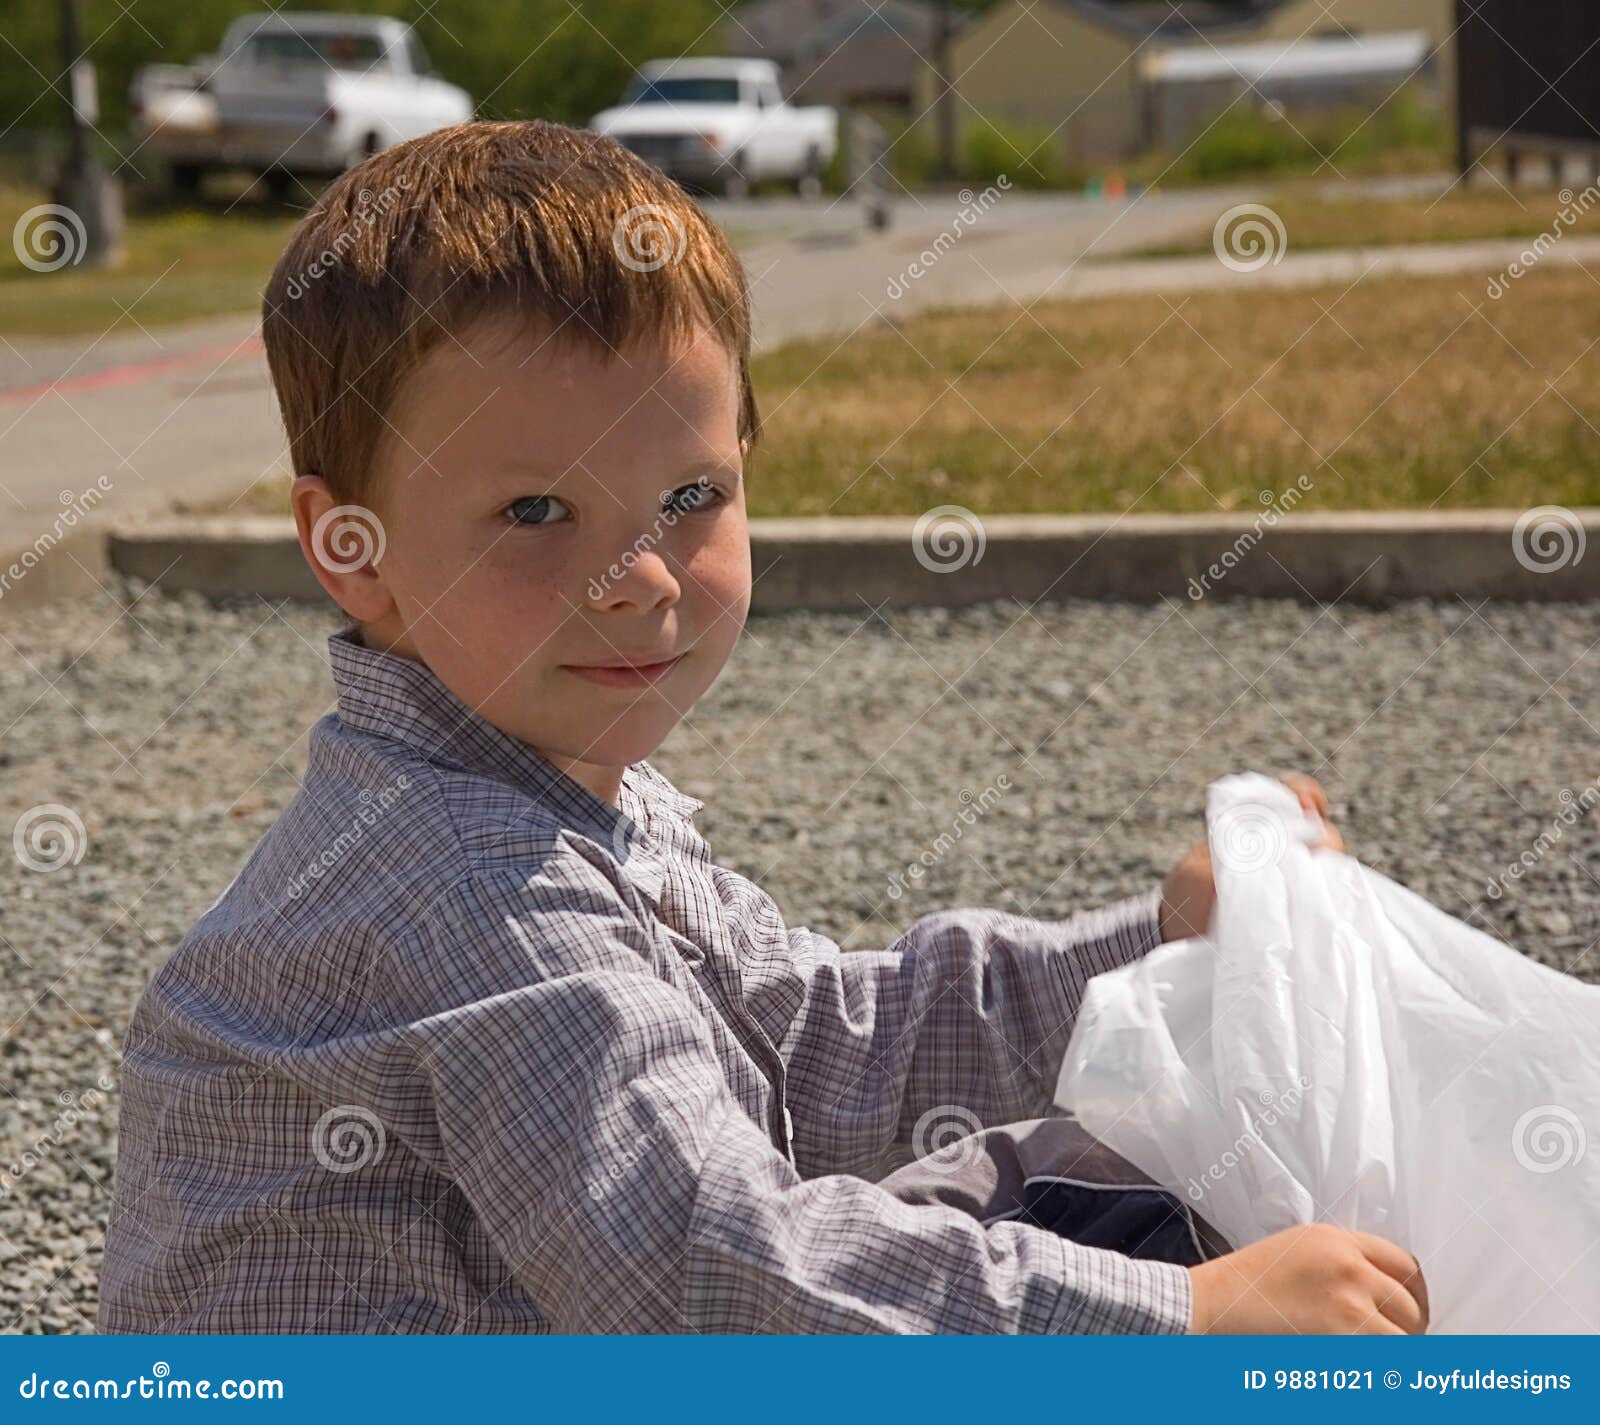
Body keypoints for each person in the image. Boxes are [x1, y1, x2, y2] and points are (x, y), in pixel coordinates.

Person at [97, 119, 1428, 1336]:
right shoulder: (469, 881)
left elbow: (815, 1042)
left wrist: (1150, 950)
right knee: (1126, 1242)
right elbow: (708, 1270)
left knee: (1096, 1174)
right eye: (537, 514)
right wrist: (1183, 1319)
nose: (643, 574)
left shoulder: (542, 784)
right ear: (355, 550)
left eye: (688, 493)